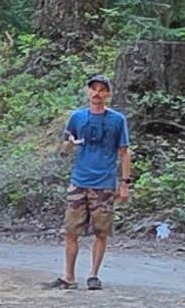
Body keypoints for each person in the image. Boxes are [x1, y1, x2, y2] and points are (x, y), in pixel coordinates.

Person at [50, 76, 132, 291]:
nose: (97, 93)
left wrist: (125, 183)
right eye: (93, 89)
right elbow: (64, 150)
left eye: (102, 90)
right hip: (79, 180)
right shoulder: (77, 118)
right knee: (71, 230)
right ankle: (69, 276)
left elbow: (124, 152)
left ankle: (93, 275)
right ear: (88, 92)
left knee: (101, 231)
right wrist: (69, 144)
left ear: (108, 94)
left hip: (104, 182)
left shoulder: (117, 120)